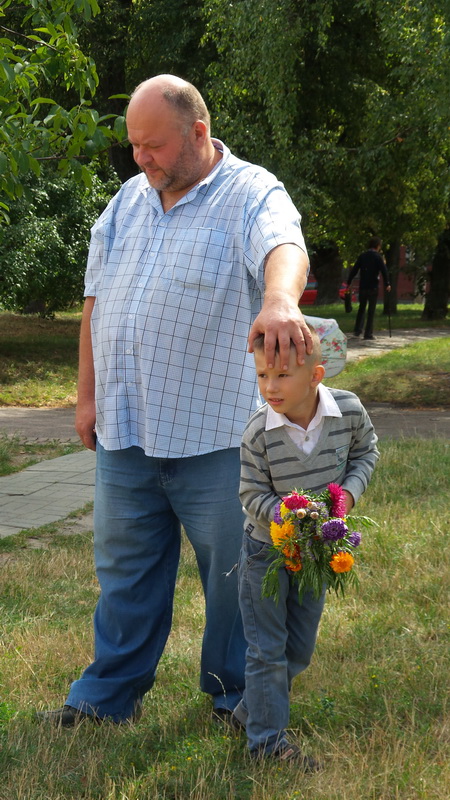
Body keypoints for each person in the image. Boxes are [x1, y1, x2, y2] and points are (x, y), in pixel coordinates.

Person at [36, 74, 314, 727]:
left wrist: (280, 299)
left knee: (236, 576)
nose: (141, 158)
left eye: (153, 145)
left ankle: (236, 696)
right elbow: (96, 304)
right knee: (124, 571)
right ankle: (106, 696)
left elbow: (284, 244)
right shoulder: (127, 202)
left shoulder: (249, 192)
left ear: (197, 133)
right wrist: (86, 397)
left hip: (217, 435)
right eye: (134, 145)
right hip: (127, 428)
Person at [231, 325, 379, 764]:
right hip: (266, 552)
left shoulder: (347, 411)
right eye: (262, 375)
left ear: (315, 375)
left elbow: (366, 452)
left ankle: (250, 711)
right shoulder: (258, 431)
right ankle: (267, 744)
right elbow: (250, 493)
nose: (270, 387)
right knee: (267, 649)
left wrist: (347, 495)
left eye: (281, 376)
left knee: (298, 649)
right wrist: (285, 516)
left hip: (316, 554)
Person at [347, 236, 391, 340]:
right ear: (378, 246)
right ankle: (368, 333)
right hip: (373, 286)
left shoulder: (363, 256)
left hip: (363, 286)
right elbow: (384, 271)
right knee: (371, 310)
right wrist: (387, 283)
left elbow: (355, 269)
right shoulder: (378, 257)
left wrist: (349, 281)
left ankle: (357, 331)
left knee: (361, 308)